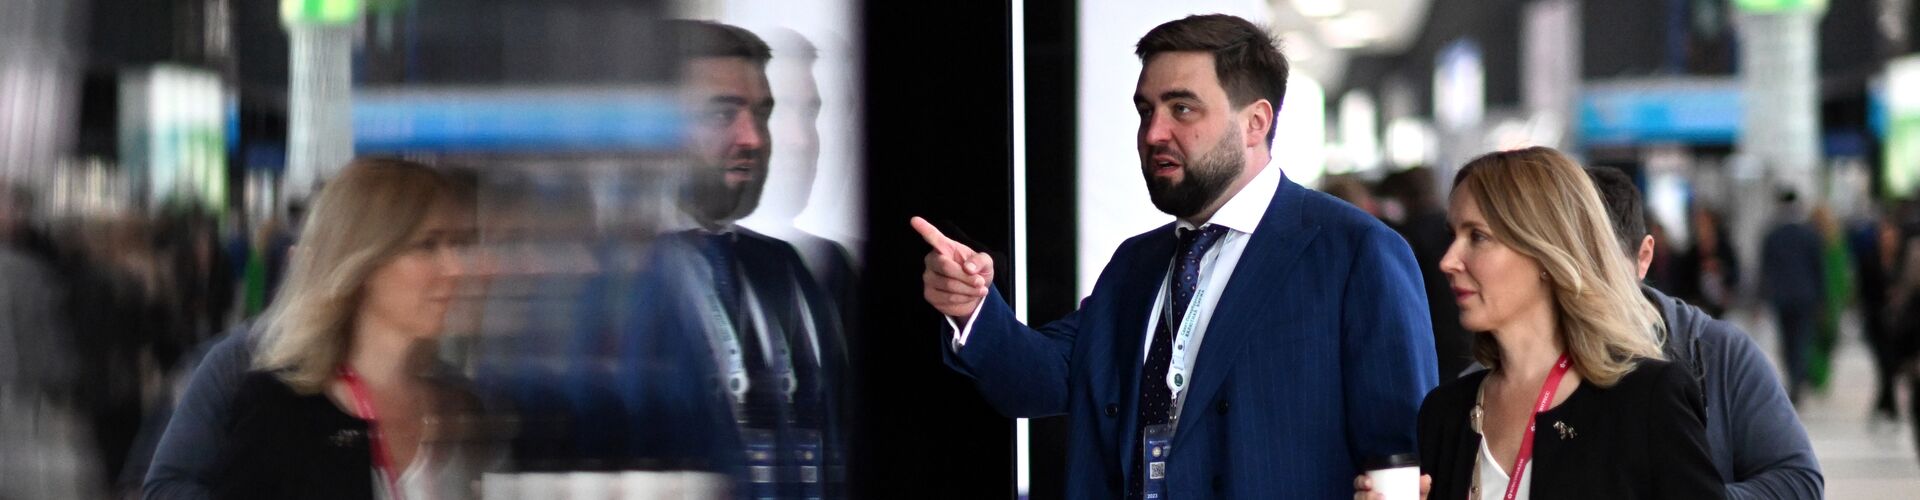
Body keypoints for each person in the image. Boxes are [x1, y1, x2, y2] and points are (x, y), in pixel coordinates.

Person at [916, 14, 1436, 498]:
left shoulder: (1353, 252)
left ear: (1256, 123)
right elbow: (1043, 378)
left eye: (1181, 108)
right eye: (1146, 110)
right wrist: (972, 308)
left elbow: (1402, 456)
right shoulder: (1136, 265)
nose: (1153, 133)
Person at [1360, 147, 1722, 499]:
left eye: (1478, 237)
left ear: (1545, 253)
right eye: (1452, 235)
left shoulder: (1647, 398)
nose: (1449, 260)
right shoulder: (1445, 412)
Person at [147, 159, 495, 500]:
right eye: (427, 245)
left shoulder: (460, 408)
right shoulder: (269, 393)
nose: (455, 268)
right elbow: (166, 485)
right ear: (362, 261)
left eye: (459, 245)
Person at [1583, 166, 1821, 498]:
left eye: (1596, 266)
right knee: (1794, 345)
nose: (1577, 287)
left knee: (1794, 347)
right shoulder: (1518, 363)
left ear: (1643, 257)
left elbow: (1798, 481)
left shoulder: (1714, 353)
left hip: (1772, 303)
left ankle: (1796, 381)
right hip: (1799, 299)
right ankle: (1796, 379)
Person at [1760, 190, 1826, 404]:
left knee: (1787, 341)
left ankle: (1794, 378)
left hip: (1781, 297)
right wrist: (1821, 298)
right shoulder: (1809, 234)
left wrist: (1761, 297)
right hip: (1805, 296)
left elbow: (1765, 269)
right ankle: (1797, 379)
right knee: (1801, 340)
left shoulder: (1772, 234)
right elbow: (1818, 268)